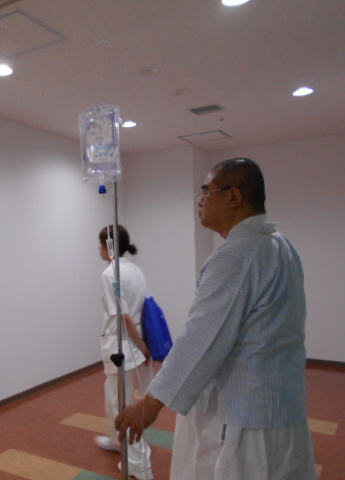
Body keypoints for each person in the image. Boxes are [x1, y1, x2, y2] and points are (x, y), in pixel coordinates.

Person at [115, 158, 318, 480]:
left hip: (253, 416)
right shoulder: (280, 245)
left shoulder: (238, 254)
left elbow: (202, 338)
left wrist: (151, 403)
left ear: (233, 196)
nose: (200, 201)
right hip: (282, 403)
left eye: (206, 192)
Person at [97, 225, 153, 480]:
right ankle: (115, 439)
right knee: (114, 396)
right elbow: (145, 307)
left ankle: (140, 465)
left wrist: (142, 345)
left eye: (101, 244)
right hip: (133, 344)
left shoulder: (110, 273)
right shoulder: (135, 270)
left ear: (109, 246)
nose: (98, 249)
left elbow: (124, 316)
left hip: (121, 345)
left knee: (122, 405)